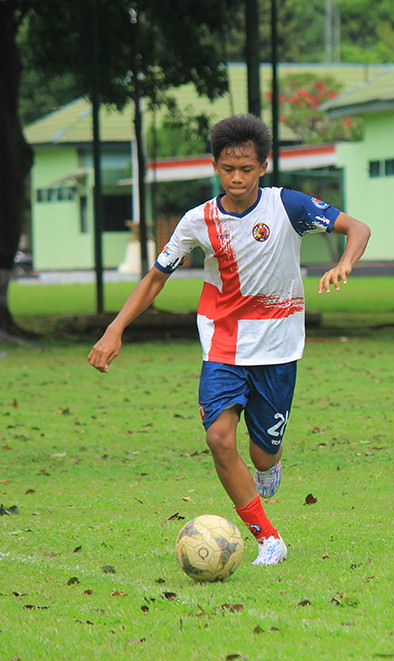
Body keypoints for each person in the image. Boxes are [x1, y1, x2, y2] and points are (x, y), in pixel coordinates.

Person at [88, 114, 371, 564]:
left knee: (261, 457)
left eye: (246, 169)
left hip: (278, 348)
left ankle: (271, 463)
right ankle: (268, 538)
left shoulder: (288, 206)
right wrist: (115, 327)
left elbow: (358, 229)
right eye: (227, 169)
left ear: (263, 166)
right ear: (215, 167)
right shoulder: (197, 221)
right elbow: (156, 278)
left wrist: (346, 263)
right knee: (220, 440)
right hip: (222, 345)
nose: (236, 178)